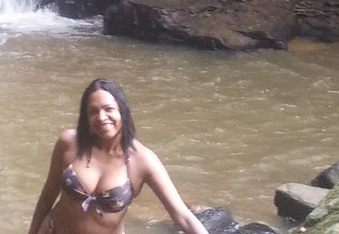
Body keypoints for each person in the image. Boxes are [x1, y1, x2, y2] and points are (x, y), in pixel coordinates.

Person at [27, 78, 209, 234]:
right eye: (93, 111)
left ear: (122, 111)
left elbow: (182, 216)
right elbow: (47, 196)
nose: (101, 117)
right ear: (86, 117)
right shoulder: (69, 143)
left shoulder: (143, 160)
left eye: (108, 109)